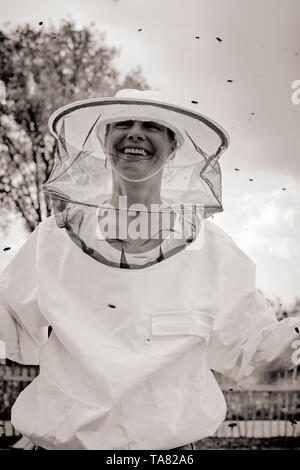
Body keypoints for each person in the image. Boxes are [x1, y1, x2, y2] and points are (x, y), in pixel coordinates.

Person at [0, 89, 299, 450]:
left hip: (168, 456)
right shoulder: (53, 239)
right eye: (123, 123)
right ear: (103, 138)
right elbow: (9, 324)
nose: (135, 133)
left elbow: (252, 348)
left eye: (152, 126)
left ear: (173, 146)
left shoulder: (212, 249)